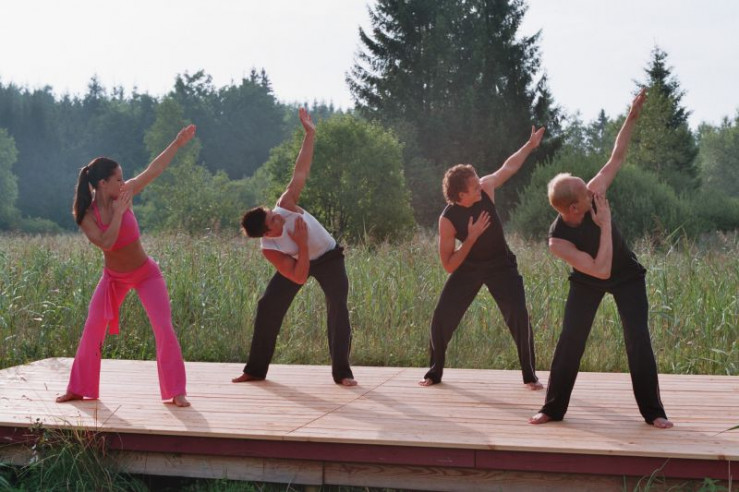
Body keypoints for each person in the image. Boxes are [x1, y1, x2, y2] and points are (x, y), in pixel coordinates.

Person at [529, 89, 672, 428]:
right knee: (571, 339)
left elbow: (616, 157)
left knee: (637, 339)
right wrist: (605, 224)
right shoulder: (558, 241)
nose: (593, 190)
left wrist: (632, 115)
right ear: (573, 208)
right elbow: (600, 270)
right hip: (590, 277)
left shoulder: (592, 192)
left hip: (628, 275)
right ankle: (552, 409)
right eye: (585, 192)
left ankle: (654, 412)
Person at [56, 125, 196, 407]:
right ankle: (78, 388)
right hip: (113, 279)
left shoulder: (126, 192)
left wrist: (177, 143)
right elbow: (107, 243)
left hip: (146, 274)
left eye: (123, 179)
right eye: (118, 179)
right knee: (93, 327)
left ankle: (176, 391)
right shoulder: (86, 215)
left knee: (163, 327)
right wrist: (119, 213)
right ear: (103, 183)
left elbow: (153, 170)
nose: (123, 183)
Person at [233, 108, 357, 387]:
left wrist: (310, 134)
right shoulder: (270, 248)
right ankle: (255, 370)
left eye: (271, 212)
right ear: (267, 232)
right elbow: (299, 277)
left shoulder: (286, 204)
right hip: (299, 260)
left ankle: (342, 373)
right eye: (272, 219)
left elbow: (301, 171)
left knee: (337, 306)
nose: (277, 215)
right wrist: (301, 244)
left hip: (329, 258)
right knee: (268, 305)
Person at [419, 126, 546, 390]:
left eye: (478, 182)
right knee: (442, 317)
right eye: (474, 187)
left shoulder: (486, 188)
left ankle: (530, 376)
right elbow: (449, 265)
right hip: (469, 267)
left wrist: (530, 145)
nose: (480, 186)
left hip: (501, 265)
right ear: (460, 196)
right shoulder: (447, 220)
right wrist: (471, 237)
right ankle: (434, 372)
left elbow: (508, 168)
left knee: (518, 315)